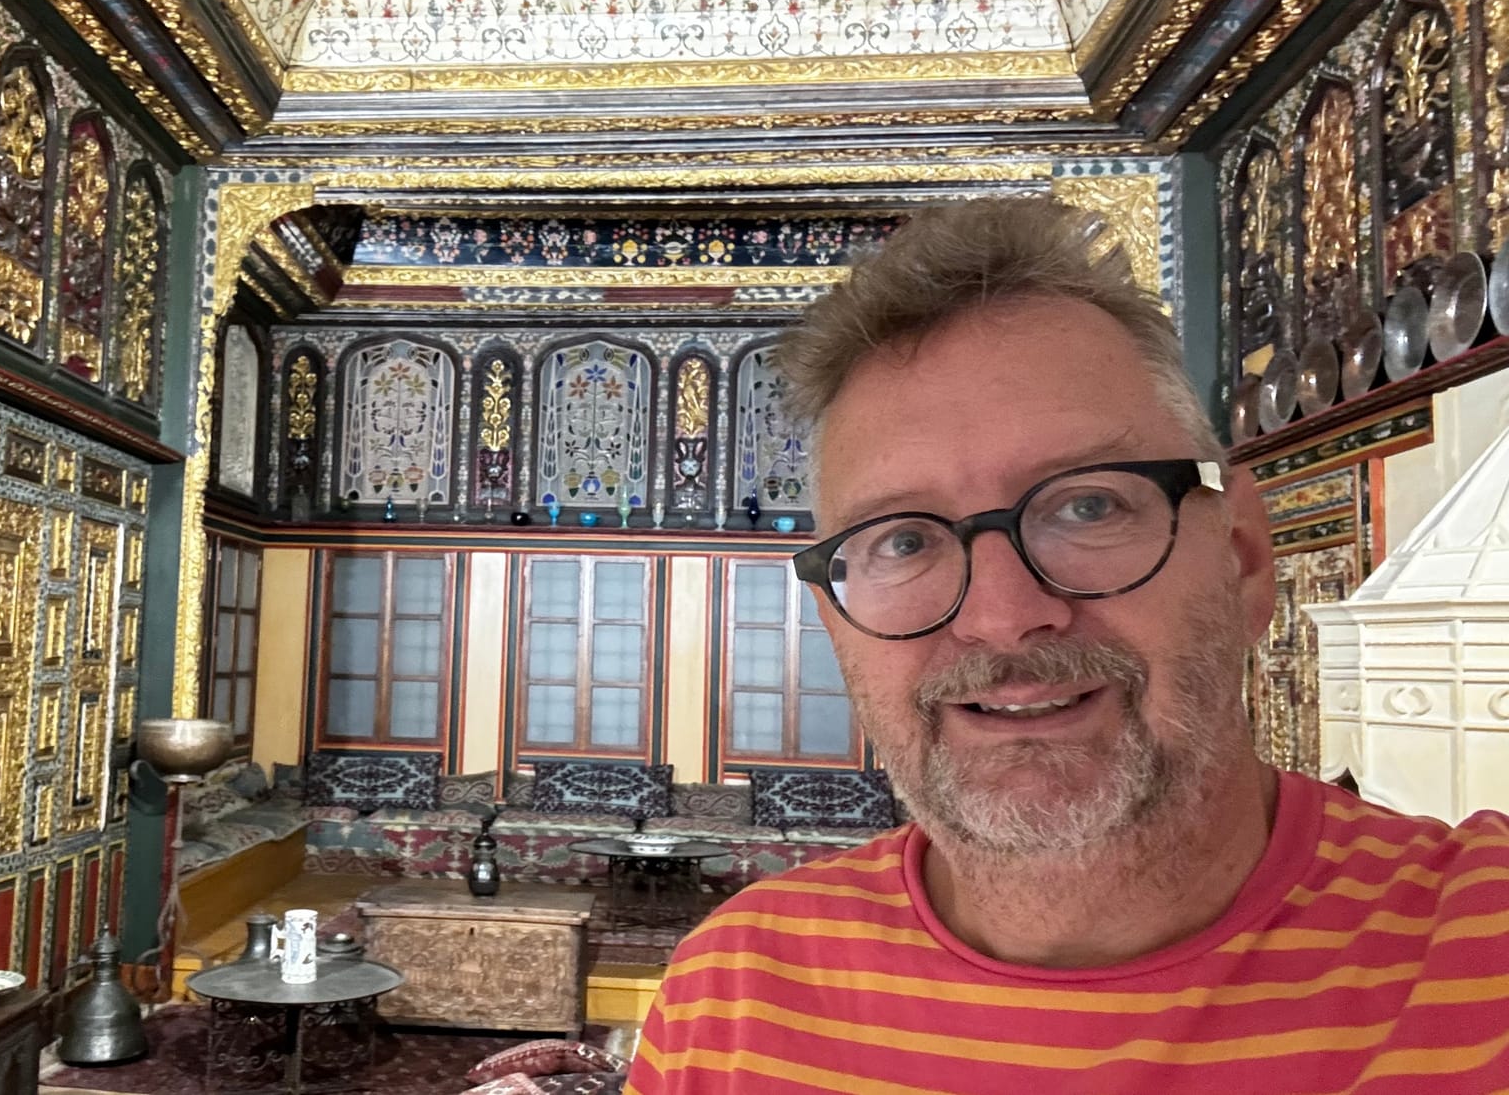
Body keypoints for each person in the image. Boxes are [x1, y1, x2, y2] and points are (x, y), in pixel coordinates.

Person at [624, 197, 1509, 1094]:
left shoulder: (1480, 949)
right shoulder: (733, 996)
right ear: (833, 620)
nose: (1003, 615)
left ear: (1242, 558)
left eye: (1087, 505)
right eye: (905, 539)